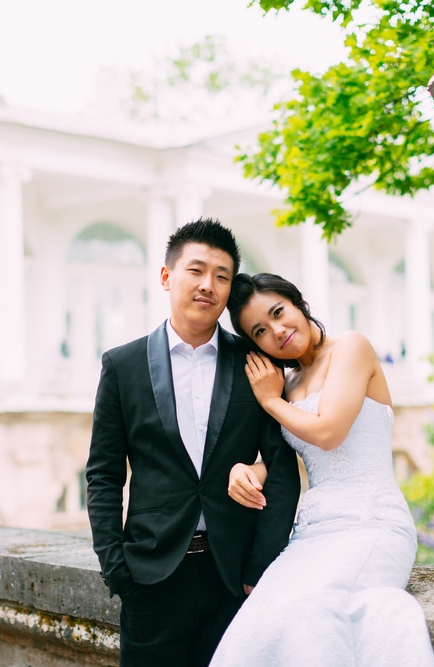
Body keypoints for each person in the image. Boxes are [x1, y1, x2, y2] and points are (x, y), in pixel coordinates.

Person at [86, 220, 301, 667]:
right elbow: (103, 475)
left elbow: (281, 466)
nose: (209, 285)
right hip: (151, 579)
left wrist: (258, 568)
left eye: (222, 276)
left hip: (233, 578)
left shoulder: (256, 363)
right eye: (196, 271)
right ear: (167, 277)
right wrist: (117, 569)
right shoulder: (122, 366)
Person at [210, 272, 434, 666]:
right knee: (255, 623)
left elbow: (329, 432)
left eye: (279, 312)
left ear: (298, 302)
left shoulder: (350, 346)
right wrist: (248, 470)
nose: (277, 331)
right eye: (260, 331)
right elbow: (288, 455)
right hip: (313, 532)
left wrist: (269, 401)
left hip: (372, 522)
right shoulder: (287, 381)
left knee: (313, 612)